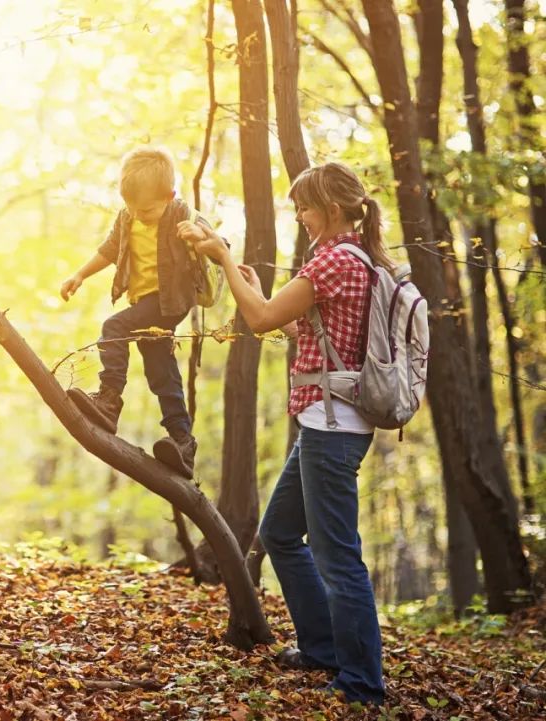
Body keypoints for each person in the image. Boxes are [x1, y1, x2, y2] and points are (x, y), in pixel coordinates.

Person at [181, 161, 390, 705]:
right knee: (278, 534)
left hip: (331, 427)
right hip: (324, 422)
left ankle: (364, 683)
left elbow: (261, 321)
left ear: (334, 210)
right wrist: (251, 285)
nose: (299, 215)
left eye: (305, 206)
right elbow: (299, 328)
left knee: (338, 555)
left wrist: (226, 260)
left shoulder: (336, 261)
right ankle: (322, 648)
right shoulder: (345, 261)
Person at [60, 146, 219, 478]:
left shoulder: (182, 214)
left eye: (147, 210)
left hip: (170, 301)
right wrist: (79, 275)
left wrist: (199, 235)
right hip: (144, 303)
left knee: (114, 327)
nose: (139, 215)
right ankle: (182, 441)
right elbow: (107, 252)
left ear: (169, 196)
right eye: (132, 208)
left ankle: (109, 401)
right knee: (161, 370)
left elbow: (221, 246)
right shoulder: (127, 217)